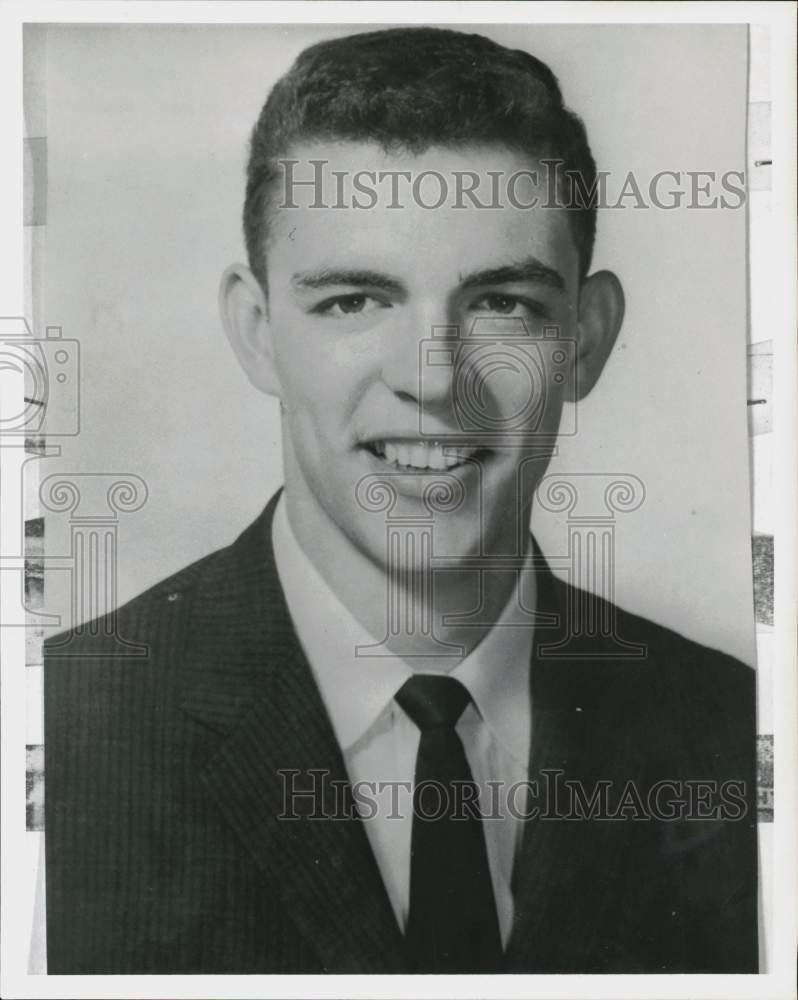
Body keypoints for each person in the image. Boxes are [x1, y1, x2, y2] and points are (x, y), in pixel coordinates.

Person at [44, 26, 757, 974]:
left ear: (585, 340)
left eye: (503, 303)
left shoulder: (734, 735)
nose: (434, 379)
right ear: (257, 333)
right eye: (354, 301)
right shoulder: (64, 729)